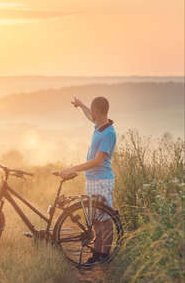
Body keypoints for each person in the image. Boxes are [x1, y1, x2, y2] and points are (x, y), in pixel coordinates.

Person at [54, 96, 116, 263]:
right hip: (92, 181)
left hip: (102, 181)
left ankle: (104, 256)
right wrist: (81, 105)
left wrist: (73, 168)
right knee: (95, 220)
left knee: (105, 221)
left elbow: (98, 161)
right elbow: (90, 115)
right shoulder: (100, 125)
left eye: (92, 110)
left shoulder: (109, 133)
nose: (91, 114)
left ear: (98, 112)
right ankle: (97, 254)